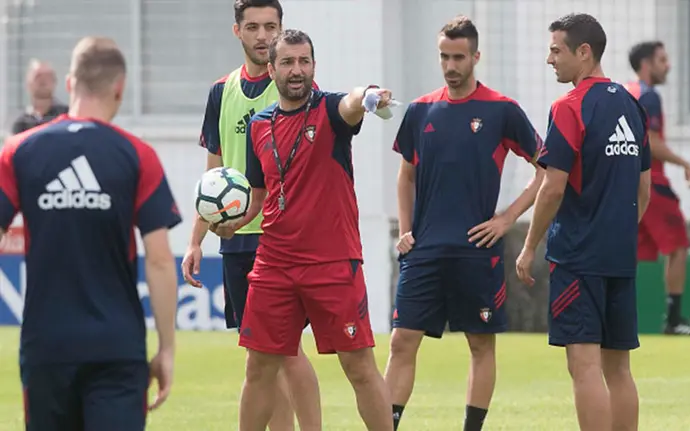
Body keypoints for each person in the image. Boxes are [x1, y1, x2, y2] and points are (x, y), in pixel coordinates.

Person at [212, 29, 394, 431]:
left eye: (304, 61)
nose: (297, 70)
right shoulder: (259, 126)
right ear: (272, 69)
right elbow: (258, 200)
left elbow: (352, 101)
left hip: (331, 261)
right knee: (259, 367)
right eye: (288, 62)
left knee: (359, 366)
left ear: (314, 66)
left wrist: (367, 95)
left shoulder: (331, 111)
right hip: (274, 262)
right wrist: (232, 225)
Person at [0, 36, 181, 431]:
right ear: (120, 88)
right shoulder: (137, 155)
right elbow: (160, 259)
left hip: (46, 348)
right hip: (117, 349)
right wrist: (166, 347)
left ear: (69, 84)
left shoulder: (19, 151)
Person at [383, 15, 544, 431]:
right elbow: (405, 174)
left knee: (479, 344)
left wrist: (508, 217)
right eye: (443, 57)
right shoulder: (420, 110)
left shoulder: (502, 110)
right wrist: (405, 230)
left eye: (458, 57)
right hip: (424, 251)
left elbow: (545, 170)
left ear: (475, 56)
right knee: (402, 341)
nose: (450, 66)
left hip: (477, 252)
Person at [180, 1, 322, 429]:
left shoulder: (299, 89)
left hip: (283, 239)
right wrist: (195, 240)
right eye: (254, 27)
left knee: (288, 351)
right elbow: (214, 175)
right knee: (263, 358)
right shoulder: (220, 91)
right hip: (236, 239)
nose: (263, 36)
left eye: (271, 27)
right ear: (237, 31)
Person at [515, 13, 650, 431]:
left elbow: (553, 187)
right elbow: (642, 189)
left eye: (557, 49)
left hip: (578, 255)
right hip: (620, 255)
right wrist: (618, 230)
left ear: (584, 52)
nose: (549, 59)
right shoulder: (632, 103)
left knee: (584, 364)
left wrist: (530, 245)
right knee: (619, 367)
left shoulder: (569, 107)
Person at [625, 41, 690, 335]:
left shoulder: (626, 92)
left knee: (631, 254)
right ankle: (675, 319)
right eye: (662, 60)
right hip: (651, 182)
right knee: (678, 247)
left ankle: (610, 315)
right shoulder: (649, 96)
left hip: (624, 184)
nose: (667, 65)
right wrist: (684, 163)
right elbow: (650, 142)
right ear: (646, 64)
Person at [10, 59, 68, 135]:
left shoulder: (66, 116)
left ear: (55, 82)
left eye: (48, 76)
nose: (43, 80)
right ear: (28, 83)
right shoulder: (21, 123)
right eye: (38, 76)